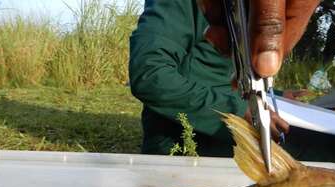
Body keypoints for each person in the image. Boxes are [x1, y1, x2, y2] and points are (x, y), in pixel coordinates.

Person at [129, 0, 319, 157]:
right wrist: (239, 113)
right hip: (185, 150)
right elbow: (149, 74)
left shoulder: (246, 11)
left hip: (242, 146)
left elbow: (224, 80)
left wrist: (278, 96)